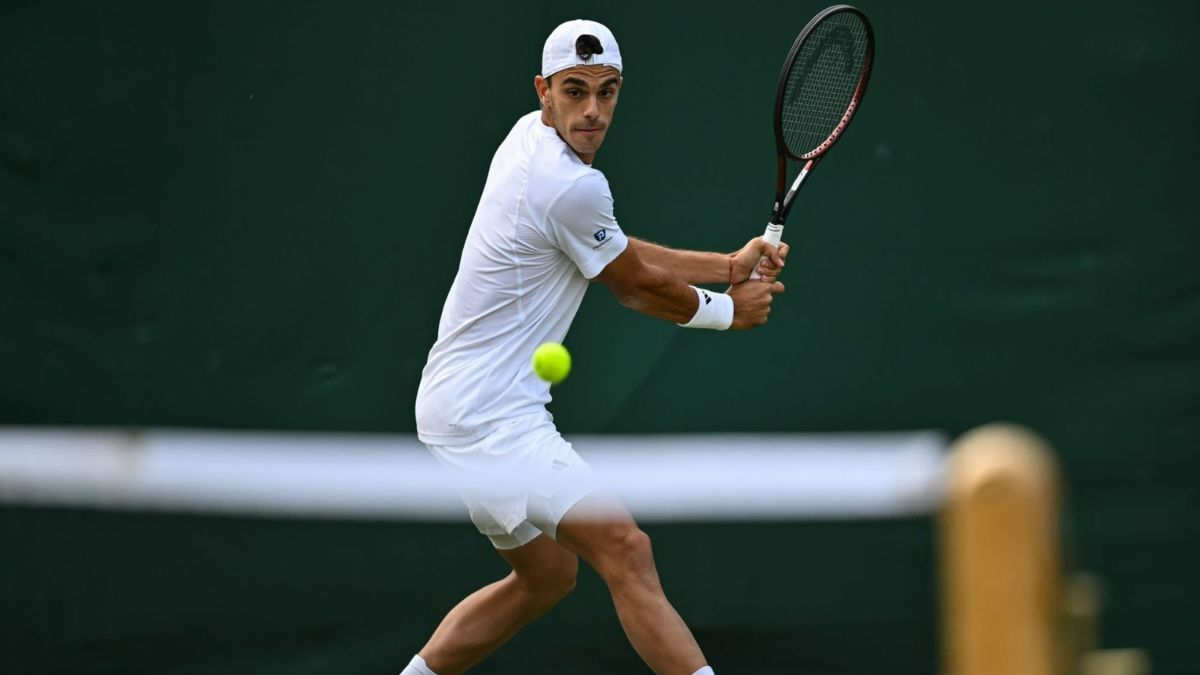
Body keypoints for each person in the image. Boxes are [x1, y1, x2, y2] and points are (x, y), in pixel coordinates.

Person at [406, 19, 788, 675]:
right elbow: (634, 285)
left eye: (607, 92)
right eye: (575, 91)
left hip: (457, 406)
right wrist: (731, 311)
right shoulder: (570, 184)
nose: (592, 111)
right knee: (626, 547)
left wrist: (723, 265)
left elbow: (607, 245)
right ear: (543, 91)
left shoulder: (530, 143)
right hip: (489, 417)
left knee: (545, 579)